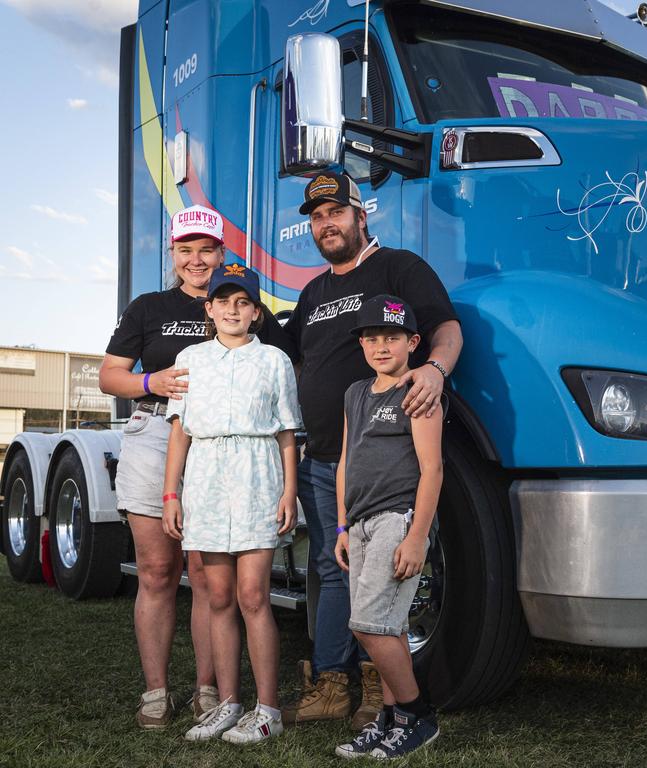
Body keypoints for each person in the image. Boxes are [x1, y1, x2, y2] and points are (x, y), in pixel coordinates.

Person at [99, 205, 295, 729]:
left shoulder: (249, 308)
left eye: (206, 249)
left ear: (221, 254)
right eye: (185, 250)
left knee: (210, 580)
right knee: (158, 570)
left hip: (231, 453)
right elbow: (109, 376)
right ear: (174, 255)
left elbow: (279, 378)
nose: (195, 259)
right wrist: (151, 382)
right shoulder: (148, 308)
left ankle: (212, 691)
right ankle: (156, 693)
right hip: (160, 433)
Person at [281, 172, 462, 730]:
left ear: (362, 216)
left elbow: (447, 328)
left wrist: (435, 370)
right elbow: (282, 356)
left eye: (335, 212)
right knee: (331, 568)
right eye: (315, 216)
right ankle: (332, 682)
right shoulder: (312, 294)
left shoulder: (399, 268)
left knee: (376, 577)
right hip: (321, 460)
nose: (325, 224)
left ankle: (376, 691)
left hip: (383, 461)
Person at [162, 265, 302, 743]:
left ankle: (268, 709)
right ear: (209, 308)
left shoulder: (274, 362)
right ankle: (227, 703)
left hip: (257, 475)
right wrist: (171, 493)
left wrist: (289, 490)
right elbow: (180, 431)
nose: (232, 310)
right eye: (223, 301)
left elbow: (286, 431)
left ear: (257, 313)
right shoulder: (190, 358)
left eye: (243, 302)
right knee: (217, 596)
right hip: (205, 478)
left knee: (253, 596)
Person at [332, 296, 443, 760]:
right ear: (361, 344)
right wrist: (341, 525)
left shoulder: (418, 392)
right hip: (357, 524)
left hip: (397, 519)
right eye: (372, 338)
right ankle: (392, 719)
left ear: (412, 342)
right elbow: (345, 461)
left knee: (369, 626)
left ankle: (419, 714)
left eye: (392, 337)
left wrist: (417, 535)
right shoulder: (355, 393)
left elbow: (432, 469)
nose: (381, 346)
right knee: (388, 627)